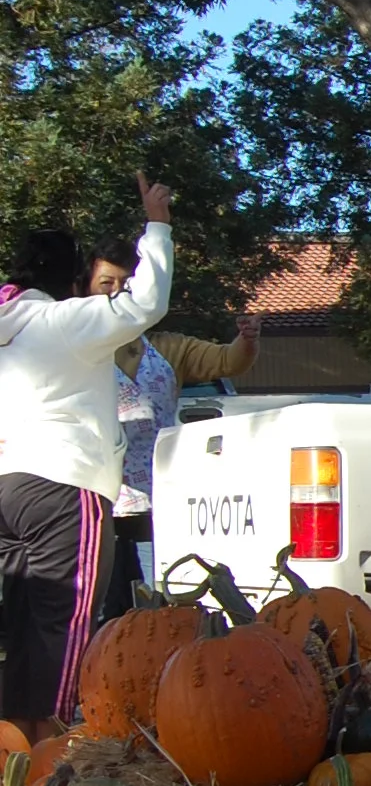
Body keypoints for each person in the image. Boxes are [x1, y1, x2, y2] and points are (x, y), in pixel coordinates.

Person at [0, 177, 172, 730]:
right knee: (65, 621)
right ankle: (48, 740)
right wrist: (158, 226)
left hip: (8, 487)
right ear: (73, 280)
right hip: (63, 485)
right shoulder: (65, 320)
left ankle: (11, 740)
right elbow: (147, 302)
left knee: (23, 619)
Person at [85, 239, 263, 612]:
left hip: (160, 503)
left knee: (155, 607)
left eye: (126, 285)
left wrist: (247, 341)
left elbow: (227, 361)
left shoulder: (168, 348)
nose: (117, 293)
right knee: (106, 607)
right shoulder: (76, 350)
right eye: (106, 283)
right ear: (85, 287)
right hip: (96, 504)